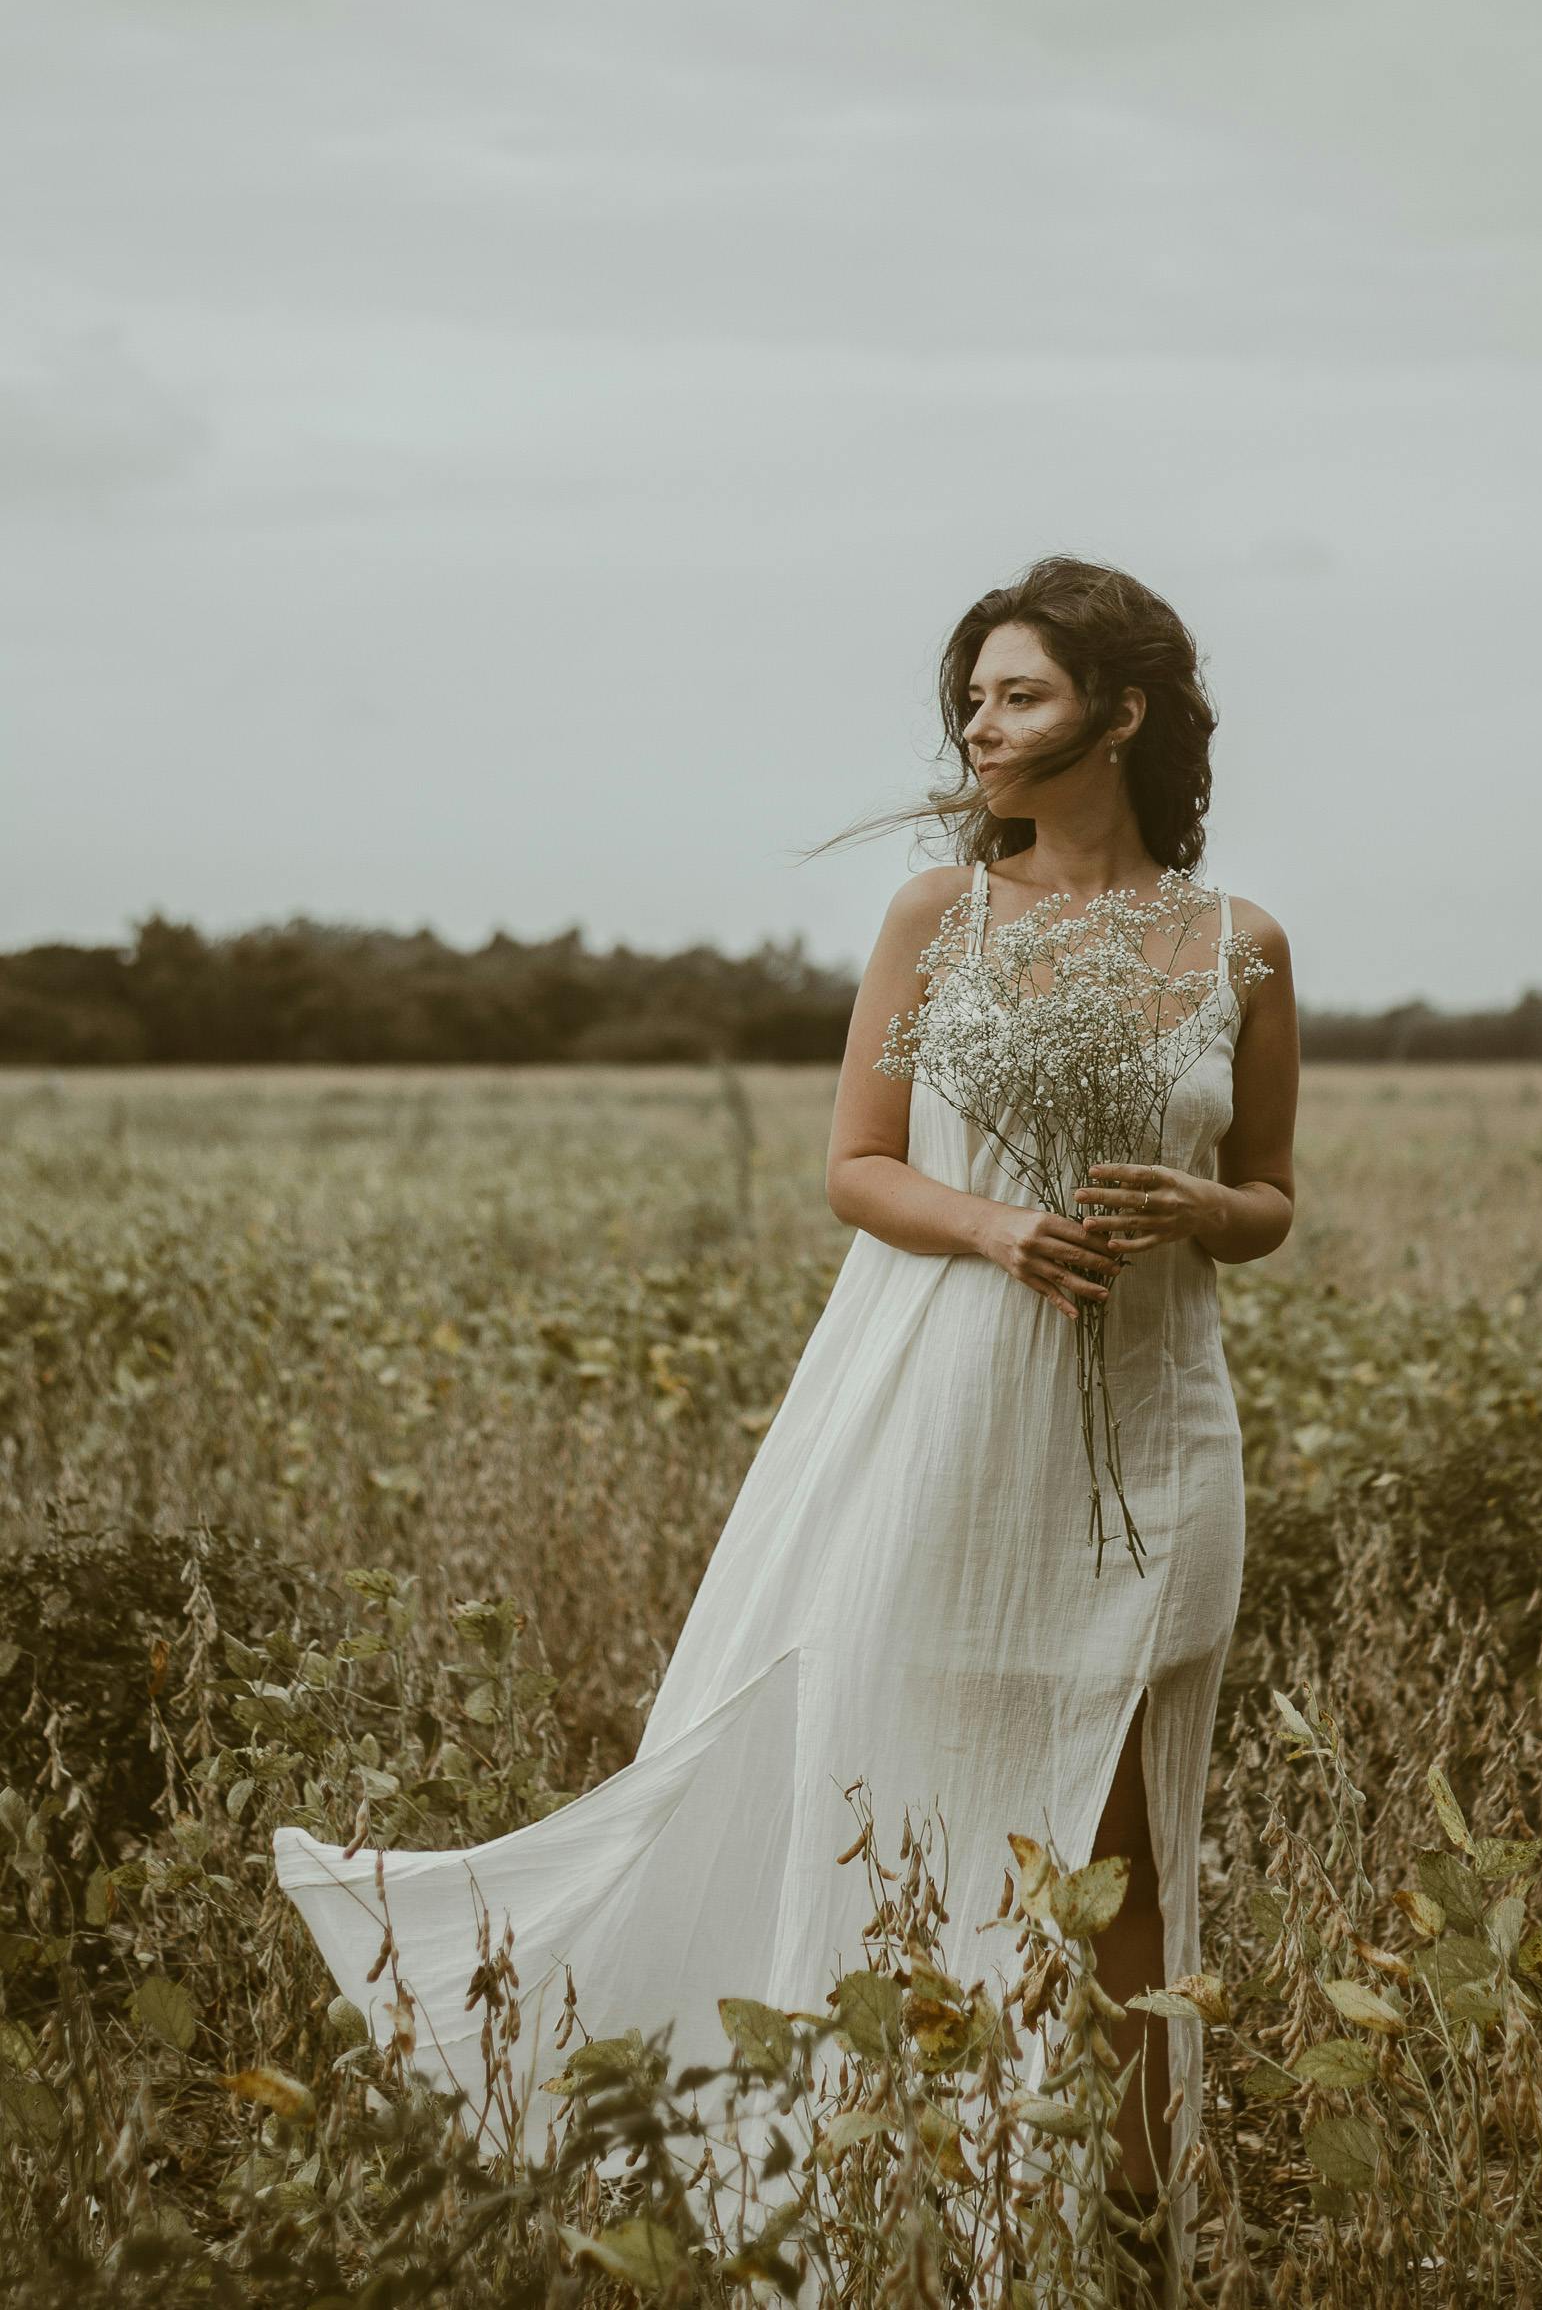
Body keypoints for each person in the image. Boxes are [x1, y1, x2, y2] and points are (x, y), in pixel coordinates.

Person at [274, 553, 1298, 2290]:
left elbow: (1271, 1193)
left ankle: (1136, 2244)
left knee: (1127, 1861)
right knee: (903, 1792)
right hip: (949, 1423)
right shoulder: (936, 915)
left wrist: (1201, 1218)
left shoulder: (1241, 944)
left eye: (1020, 693)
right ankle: (898, 2206)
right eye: (971, 696)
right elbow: (857, 1165)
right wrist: (997, 1226)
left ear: (1122, 714)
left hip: (1160, 1436)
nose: (981, 722)